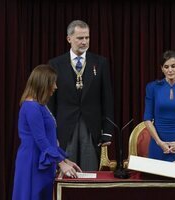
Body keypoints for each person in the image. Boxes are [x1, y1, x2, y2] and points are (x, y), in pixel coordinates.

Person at [48, 20, 114, 171]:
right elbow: (51, 101)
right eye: (80, 38)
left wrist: (108, 130)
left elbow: (107, 99)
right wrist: (51, 132)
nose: (84, 42)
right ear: (69, 39)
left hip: (91, 127)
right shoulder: (55, 64)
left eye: (87, 38)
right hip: (64, 128)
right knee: (68, 173)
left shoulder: (100, 62)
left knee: (89, 172)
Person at [12, 65, 82, 200]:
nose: (55, 87)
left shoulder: (40, 105)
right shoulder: (32, 107)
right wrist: (61, 164)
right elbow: (41, 140)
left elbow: (50, 139)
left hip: (42, 161)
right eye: (53, 83)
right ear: (43, 84)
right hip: (32, 163)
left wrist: (65, 160)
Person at [143, 50, 175, 162]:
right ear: (162, 69)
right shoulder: (152, 88)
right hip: (158, 146)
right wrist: (159, 142)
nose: (170, 70)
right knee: (155, 179)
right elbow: (147, 119)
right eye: (166, 67)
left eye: (173, 66)